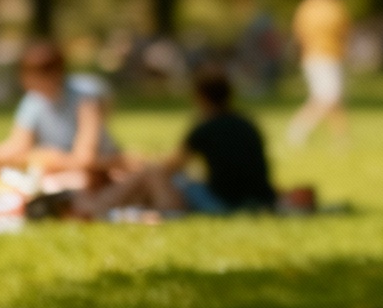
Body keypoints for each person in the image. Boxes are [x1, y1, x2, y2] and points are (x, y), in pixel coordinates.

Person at [75, 66, 275, 216]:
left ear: (200, 97)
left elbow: (171, 167)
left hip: (224, 203)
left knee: (153, 173)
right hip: (261, 198)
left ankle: (100, 208)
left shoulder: (205, 128)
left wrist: (138, 162)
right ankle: (104, 206)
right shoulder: (247, 123)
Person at [0, 39, 120, 189]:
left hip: (98, 171)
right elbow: (17, 145)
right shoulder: (33, 100)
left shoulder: (85, 98)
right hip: (58, 170)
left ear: (56, 73)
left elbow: (86, 158)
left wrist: (44, 158)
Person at [287, 0, 351, 147]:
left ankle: (341, 137)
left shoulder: (334, 7)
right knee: (328, 97)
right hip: (316, 57)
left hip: (332, 56)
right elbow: (300, 34)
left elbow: (344, 32)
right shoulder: (311, 7)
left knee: (332, 98)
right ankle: (298, 128)